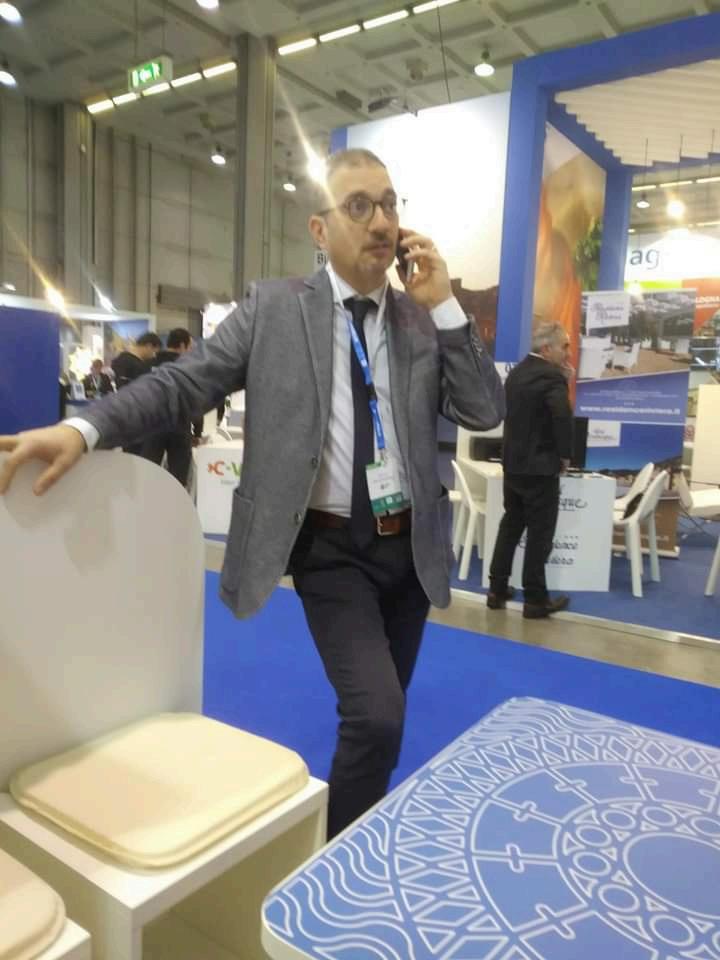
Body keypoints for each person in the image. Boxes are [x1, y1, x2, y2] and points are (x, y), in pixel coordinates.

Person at [0, 148, 504, 838]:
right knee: (377, 715)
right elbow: (182, 384)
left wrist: (445, 305)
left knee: (383, 715)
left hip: (411, 552)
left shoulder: (421, 320)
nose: (382, 222)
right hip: (332, 553)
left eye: (390, 204)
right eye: (359, 206)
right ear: (320, 229)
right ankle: (337, 859)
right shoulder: (275, 309)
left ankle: (352, 831)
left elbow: (484, 410)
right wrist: (84, 429)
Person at [487, 321, 573, 620]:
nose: (568, 353)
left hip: (513, 465)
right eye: (564, 346)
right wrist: (566, 455)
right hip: (540, 468)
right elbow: (561, 417)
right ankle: (535, 600)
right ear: (546, 349)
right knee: (540, 535)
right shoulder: (552, 377)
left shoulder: (517, 373)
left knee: (510, 525)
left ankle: (497, 590)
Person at [141, 328, 196, 487]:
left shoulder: (147, 365)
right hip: (179, 425)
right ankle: (174, 503)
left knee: (147, 473)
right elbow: (194, 398)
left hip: (152, 425)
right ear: (182, 345)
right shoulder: (189, 366)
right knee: (178, 479)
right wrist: (198, 432)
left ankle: (144, 501)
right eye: (190, 346)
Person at [110, 331, 161, 454]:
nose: (153, 356)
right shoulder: (131, 364)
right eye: (154, 352)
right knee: (136, 454)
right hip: (134, 417)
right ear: (148, 346)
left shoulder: (122, 361)